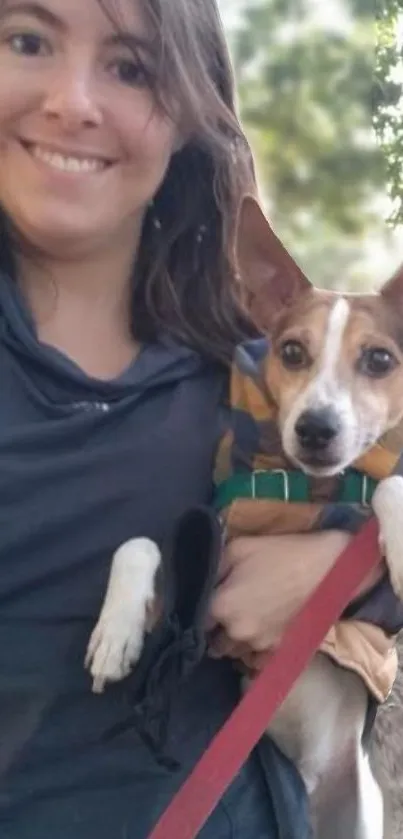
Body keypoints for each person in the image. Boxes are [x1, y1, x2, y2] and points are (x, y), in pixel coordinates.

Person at [0, 1, 400, 837]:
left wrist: (345, 561)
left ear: (190, 109)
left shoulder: (237, 369)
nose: (73, 101)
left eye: (131, 66)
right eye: (27, 40)